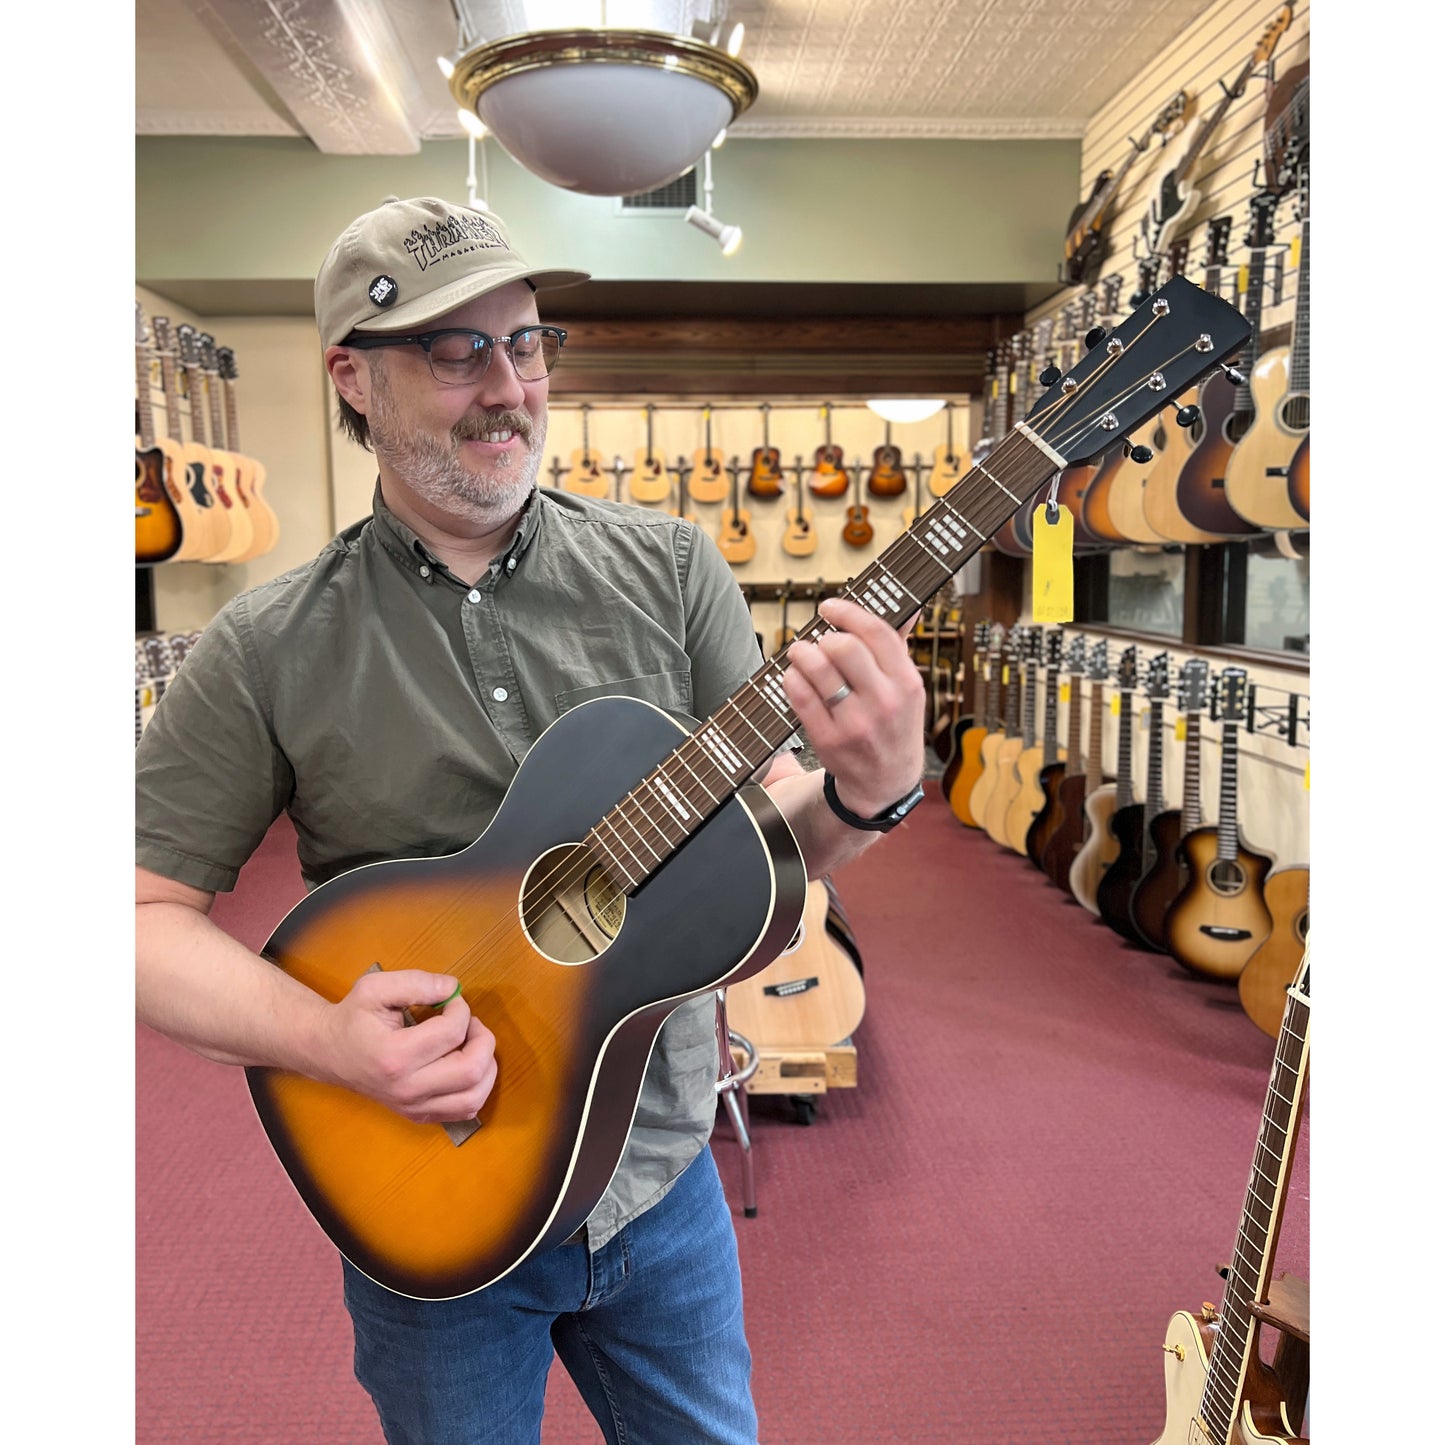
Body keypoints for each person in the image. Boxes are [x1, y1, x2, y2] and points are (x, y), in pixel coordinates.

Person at [135, 196, 927, 1445]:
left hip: (660, 1180)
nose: (509, 386)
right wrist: (325, 1037)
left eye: (528, 342)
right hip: (430, 1197)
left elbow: (763, 850)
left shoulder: (668, 569)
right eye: (458, 351)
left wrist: (860, 795)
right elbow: (135, 920)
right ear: (353, 374)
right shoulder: (264, 644)